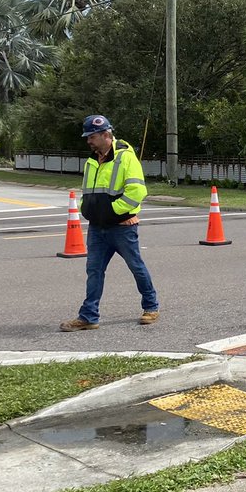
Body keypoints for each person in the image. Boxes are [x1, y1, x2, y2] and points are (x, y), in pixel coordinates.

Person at [60, 115, 159, 331]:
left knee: (136, 267)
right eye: (87, 137)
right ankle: (88, 317)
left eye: (92, 137)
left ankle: (151, 307)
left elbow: (138, 191)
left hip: (121, 227)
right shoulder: (91, 160)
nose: (88, 141)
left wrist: (115, 212)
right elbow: (89, 191)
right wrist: (86, 209)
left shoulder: (125, 157)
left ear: (106, 135)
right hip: (97, 228)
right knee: (94, 270)